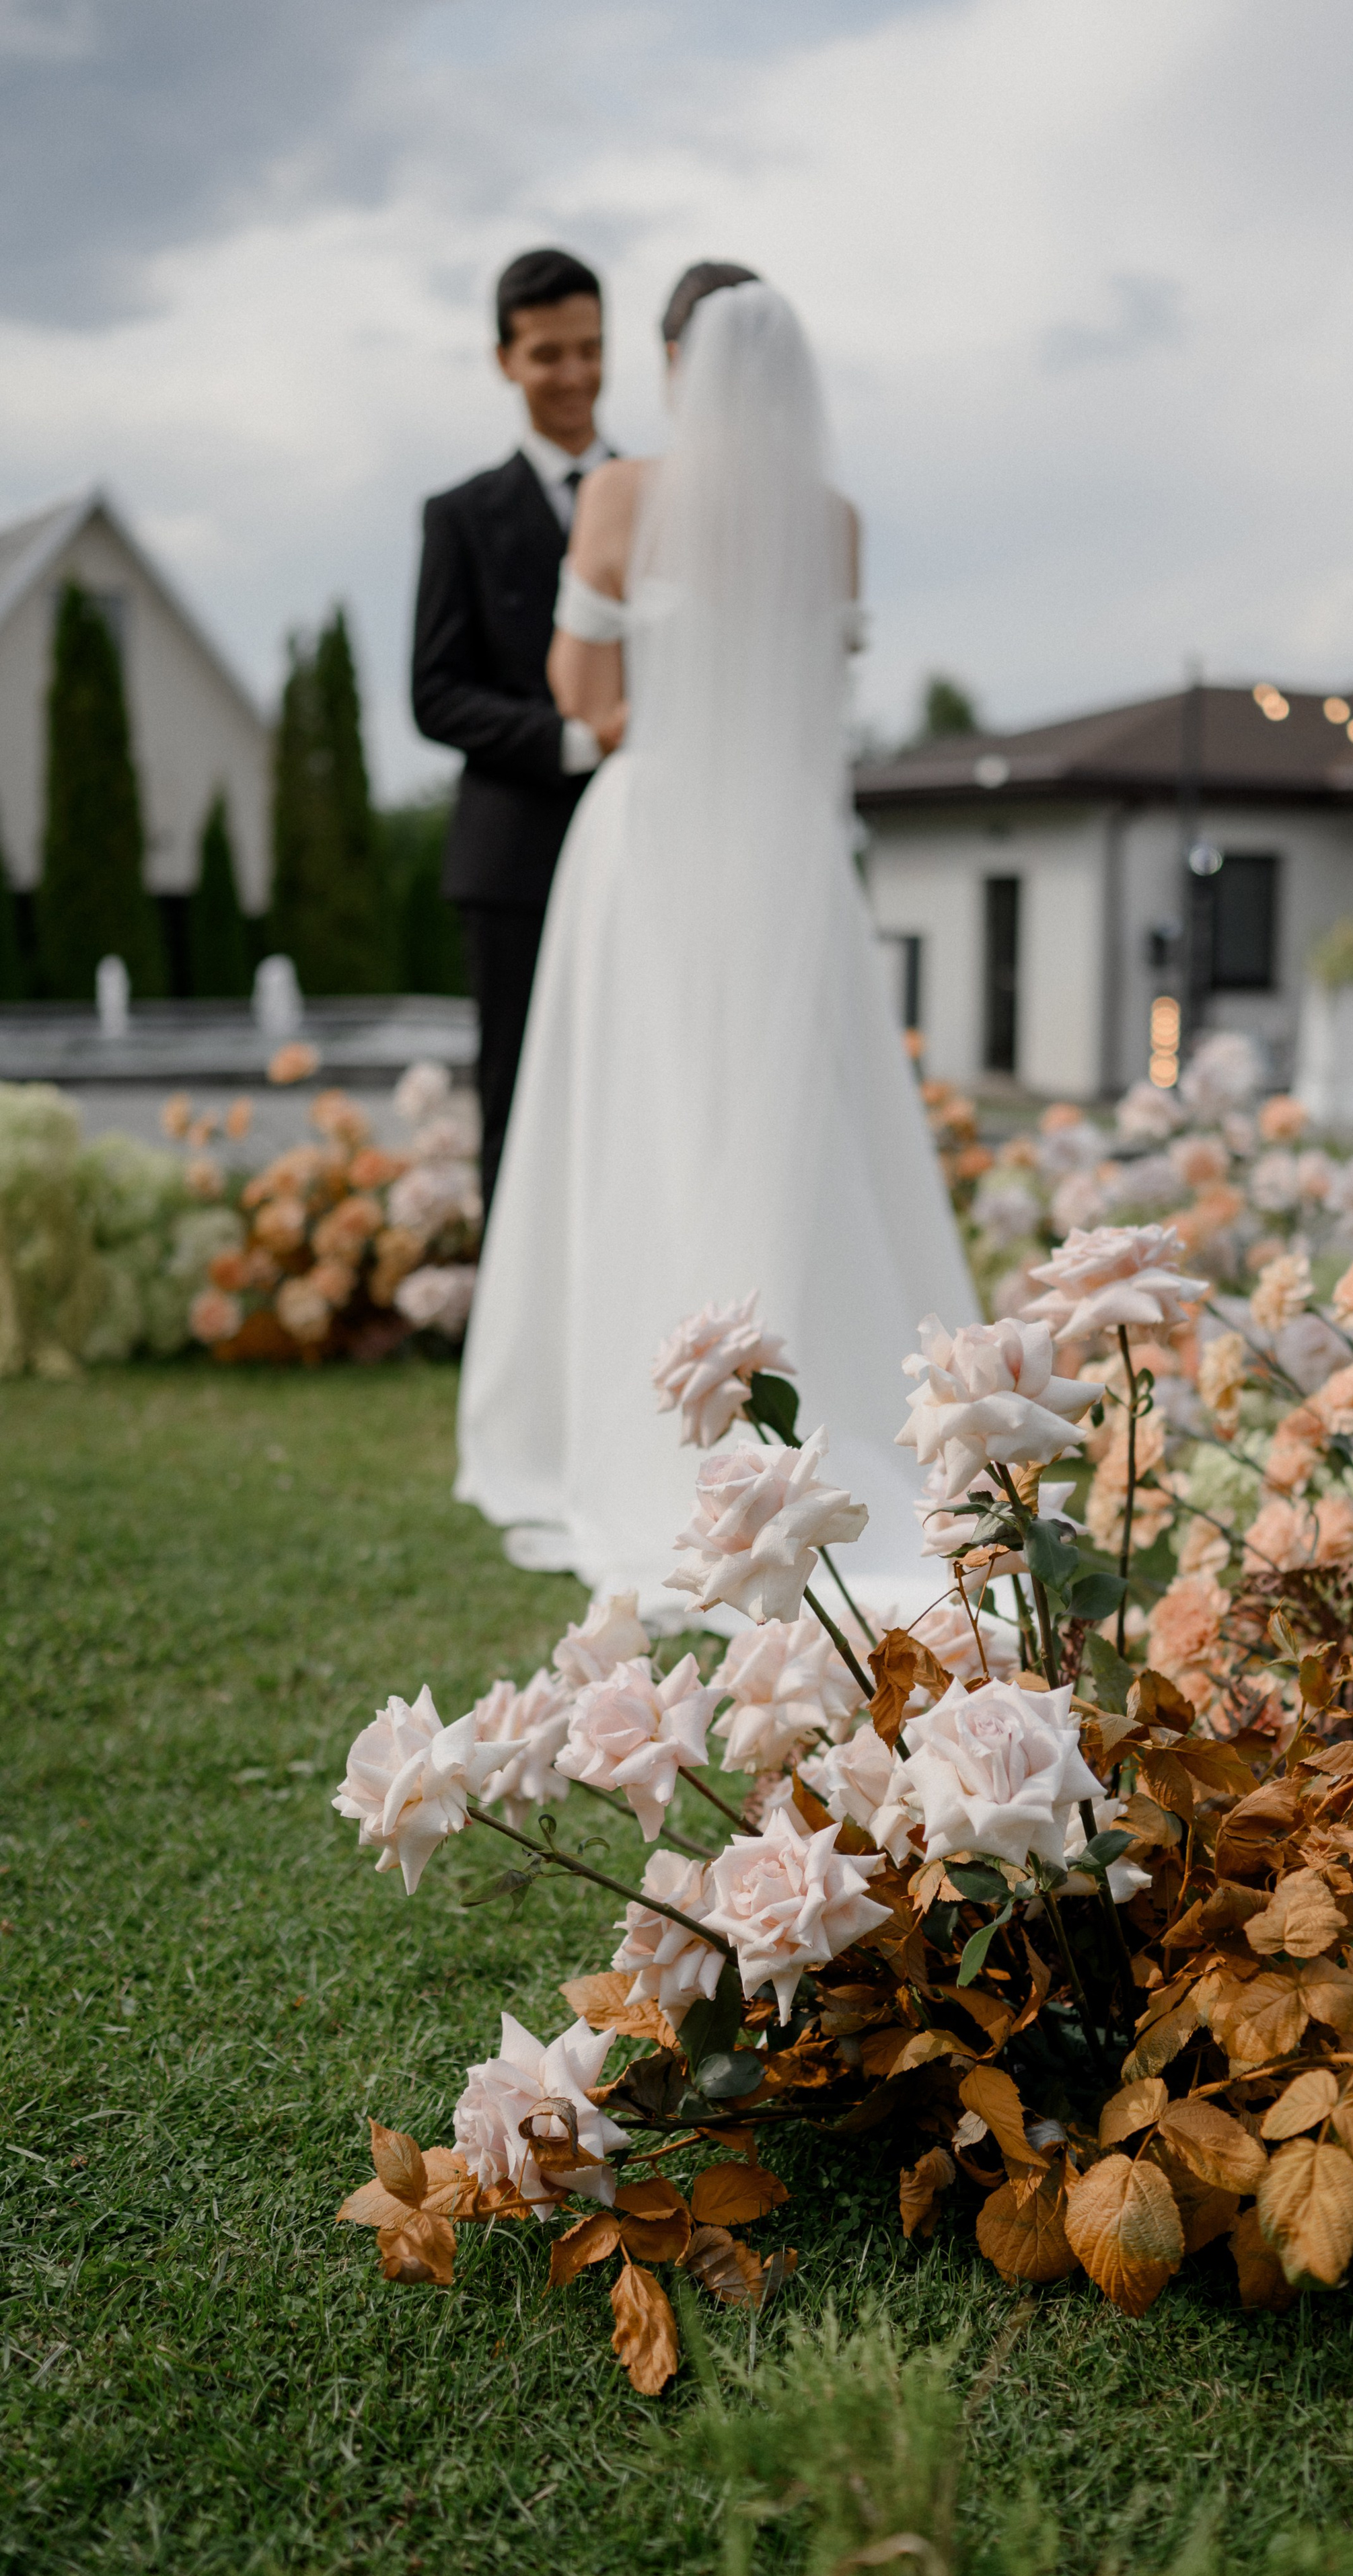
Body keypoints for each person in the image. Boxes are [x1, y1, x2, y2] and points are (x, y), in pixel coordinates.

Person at [455, 268, 975, 1612]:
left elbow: (581, 691)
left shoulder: (623, 497)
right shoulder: (837, 522)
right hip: (789, 847)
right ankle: (826, 1392)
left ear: (676, 362)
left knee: (639, 1119)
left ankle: (651, 1413)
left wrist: (663, 708)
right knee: (799, 1119)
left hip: (655, 837)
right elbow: (821, 699)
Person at [412, 248, 615, 1210]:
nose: (573, 375)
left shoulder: (661, 496)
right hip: (512, 863)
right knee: (517, 1095)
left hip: (641, 849)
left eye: (590, 349)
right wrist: (574, 741)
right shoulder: (458, 515)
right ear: (505, 360)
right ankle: (510, 1327)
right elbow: (435, 692)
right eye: (547, 355)